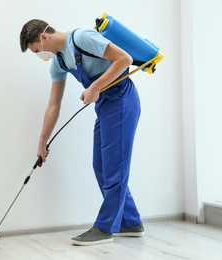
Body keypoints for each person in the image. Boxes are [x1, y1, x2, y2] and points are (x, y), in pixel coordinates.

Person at [19, 19, 145, 246]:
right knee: (101, 166)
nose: (40, 55)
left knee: (114, 166)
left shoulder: (82, 38)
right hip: (105, 106)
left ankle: (105, 227)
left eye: (37, 51)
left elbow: (124, 59)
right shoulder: (58, 63)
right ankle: (130, 221)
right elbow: (53, 105)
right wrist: (42, 141)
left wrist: (95, 87)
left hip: (122, 98)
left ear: (44, 37)